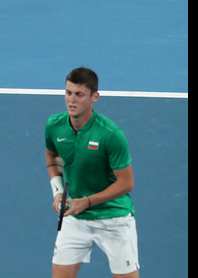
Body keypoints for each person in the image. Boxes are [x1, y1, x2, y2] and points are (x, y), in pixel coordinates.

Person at [45, 67, 140, 277]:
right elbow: (53, 157)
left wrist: (86, 201)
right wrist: (58, 192)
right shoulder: (54, 125)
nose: (72, 100)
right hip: (75, 216)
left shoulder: (111, 134)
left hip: (114, 218)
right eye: (68, 92)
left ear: (94, 97)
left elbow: (126, 183)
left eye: (79, 94)